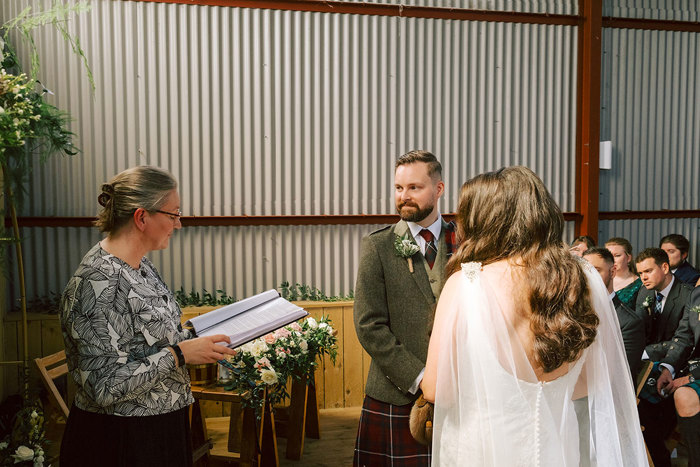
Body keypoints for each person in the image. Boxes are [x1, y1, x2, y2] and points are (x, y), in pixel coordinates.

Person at [421, 166, 647, 466]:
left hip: (484, 451)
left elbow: (438, 390)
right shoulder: (580, 280)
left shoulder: (467, 282)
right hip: (557, 451)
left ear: (482, 220)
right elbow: (588, 382)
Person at [59, 166, 236, 466]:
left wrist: (200, 340)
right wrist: (179, 354)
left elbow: (154, 339)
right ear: (142, 217)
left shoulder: (142, 266)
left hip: (160, 428)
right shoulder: (96, 282)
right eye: (174, 214)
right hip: (120, 441)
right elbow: (103, 387)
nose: (178, 224)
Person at [353, 150, 457, 466]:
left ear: (438, 189)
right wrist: (419, 376)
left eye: (414, 187)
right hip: (395, 396)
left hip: (459, 392)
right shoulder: (378, 246)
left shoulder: (467, 243)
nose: (404, 197)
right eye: (399, 188)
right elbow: (368, 325)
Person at [635, 247, 693, 467]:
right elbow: (638, 329)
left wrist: (648, 351)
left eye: (648, 271)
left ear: (665, 267)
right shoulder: (644, 293)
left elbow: (686, 338)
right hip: (649, 368)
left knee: (659, 429)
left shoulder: (688, 294)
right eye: (640, 273)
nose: (643, 277)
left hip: (681, 368)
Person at [655, 287, 700, 466]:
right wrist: (668, 369)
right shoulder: (697, 294)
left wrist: (692, 377)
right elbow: (684, 337)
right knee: (682, 395)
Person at [583, 247, 644, 379]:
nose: (589, 276)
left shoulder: (629, 322)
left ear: (612, 272)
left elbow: (620, 375)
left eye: (596, 270)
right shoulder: (574, 313)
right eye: (584, 271)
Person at [605, 237, 643, 308]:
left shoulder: (640, 284)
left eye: (617, 256)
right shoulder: (601, 280)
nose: (613, 260)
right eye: (609, 256)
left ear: (628, 258)